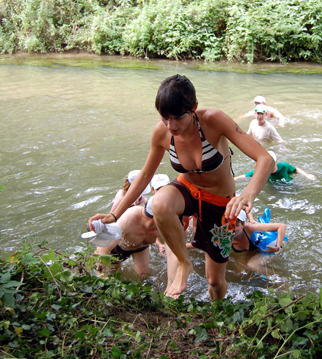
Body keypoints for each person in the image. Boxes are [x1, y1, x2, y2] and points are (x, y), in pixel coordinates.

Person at [88, 75, 274, 300]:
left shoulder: (214, 120)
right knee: (159, 202)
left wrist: (247, 195)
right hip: (187, 190)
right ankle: (184, 264)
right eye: (165, 118)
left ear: (194, 108)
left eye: (178, 117)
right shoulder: (162, 132)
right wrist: (114, 214)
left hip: (219, 202)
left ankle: (217, 315)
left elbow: (265, 159)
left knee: (215, 281)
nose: (171, 125)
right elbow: (146, 175)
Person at [94, 201, 161, 277]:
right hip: (117, 246)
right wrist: (103, 280)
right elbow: (102, 249)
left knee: (143, 275)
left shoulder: (166, 224)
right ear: (155, 219)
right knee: (114, 273)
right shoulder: (129, 218)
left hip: (141, 246)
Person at [231, 209, 286, 275]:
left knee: (252, 265)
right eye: (230, 224)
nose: (232, 228)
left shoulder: (251, 228)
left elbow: (281, 226)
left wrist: (277, 247)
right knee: (240, 271)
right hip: (252, 251)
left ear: (243, 224)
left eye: (236, 225)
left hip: (270, 248)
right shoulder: (224, 235)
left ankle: (280, 280)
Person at [235, 150, 315, 183]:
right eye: (268, 164)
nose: (270, 166)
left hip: (289, 184)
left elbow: (295, 169)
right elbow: (247, 175)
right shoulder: (262, 171)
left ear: (276, 161)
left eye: (272, 163)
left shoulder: (283, 166)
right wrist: (234, 179)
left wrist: (306, 174)